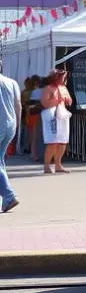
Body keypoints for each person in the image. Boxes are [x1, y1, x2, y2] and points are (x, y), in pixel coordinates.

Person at [39, 69, 72, 174]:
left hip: (62, 115)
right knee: (52, 141)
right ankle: (46, 165)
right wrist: (58, 101)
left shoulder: (63, 88)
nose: (63, 79)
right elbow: (44, 103)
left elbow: (69, 101)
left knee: (63, 141)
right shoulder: (47, 88)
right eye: (61, 77)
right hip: (51, 116)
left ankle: (58, 164)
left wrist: (67, 100)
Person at [0, 57, 22, 212]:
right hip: (10, 124)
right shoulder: (11, 82)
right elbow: (18, 104)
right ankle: (7, 197)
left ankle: (8, 195)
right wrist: (17, 124)